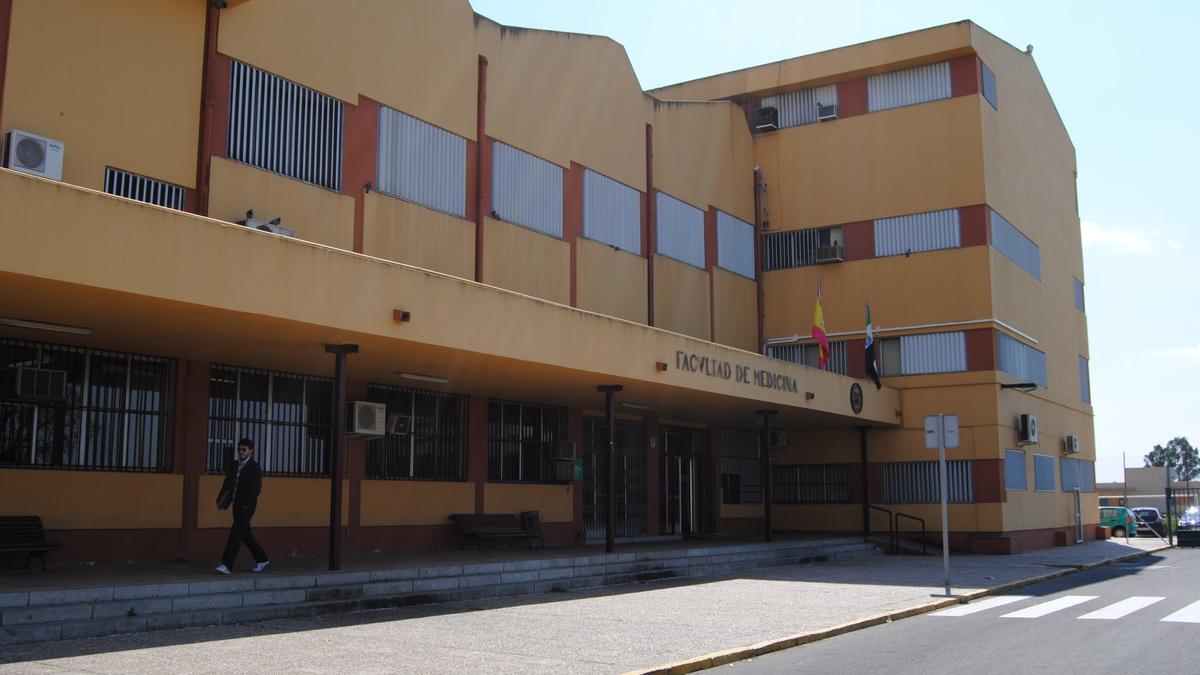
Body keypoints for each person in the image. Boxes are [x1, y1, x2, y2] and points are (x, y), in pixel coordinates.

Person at [215, 438, 269, 575]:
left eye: (244, 450)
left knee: (236, 533)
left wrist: (246, 504)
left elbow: (256, 488)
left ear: (251, 451)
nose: (241, 452)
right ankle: (262, 558)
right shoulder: (235, 465)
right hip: (236, 505)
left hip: (247, 506)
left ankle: (227, 564)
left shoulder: (254, 467)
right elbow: (227, 484)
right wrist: (221, 500)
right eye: (239, 449)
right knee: (245, 534)